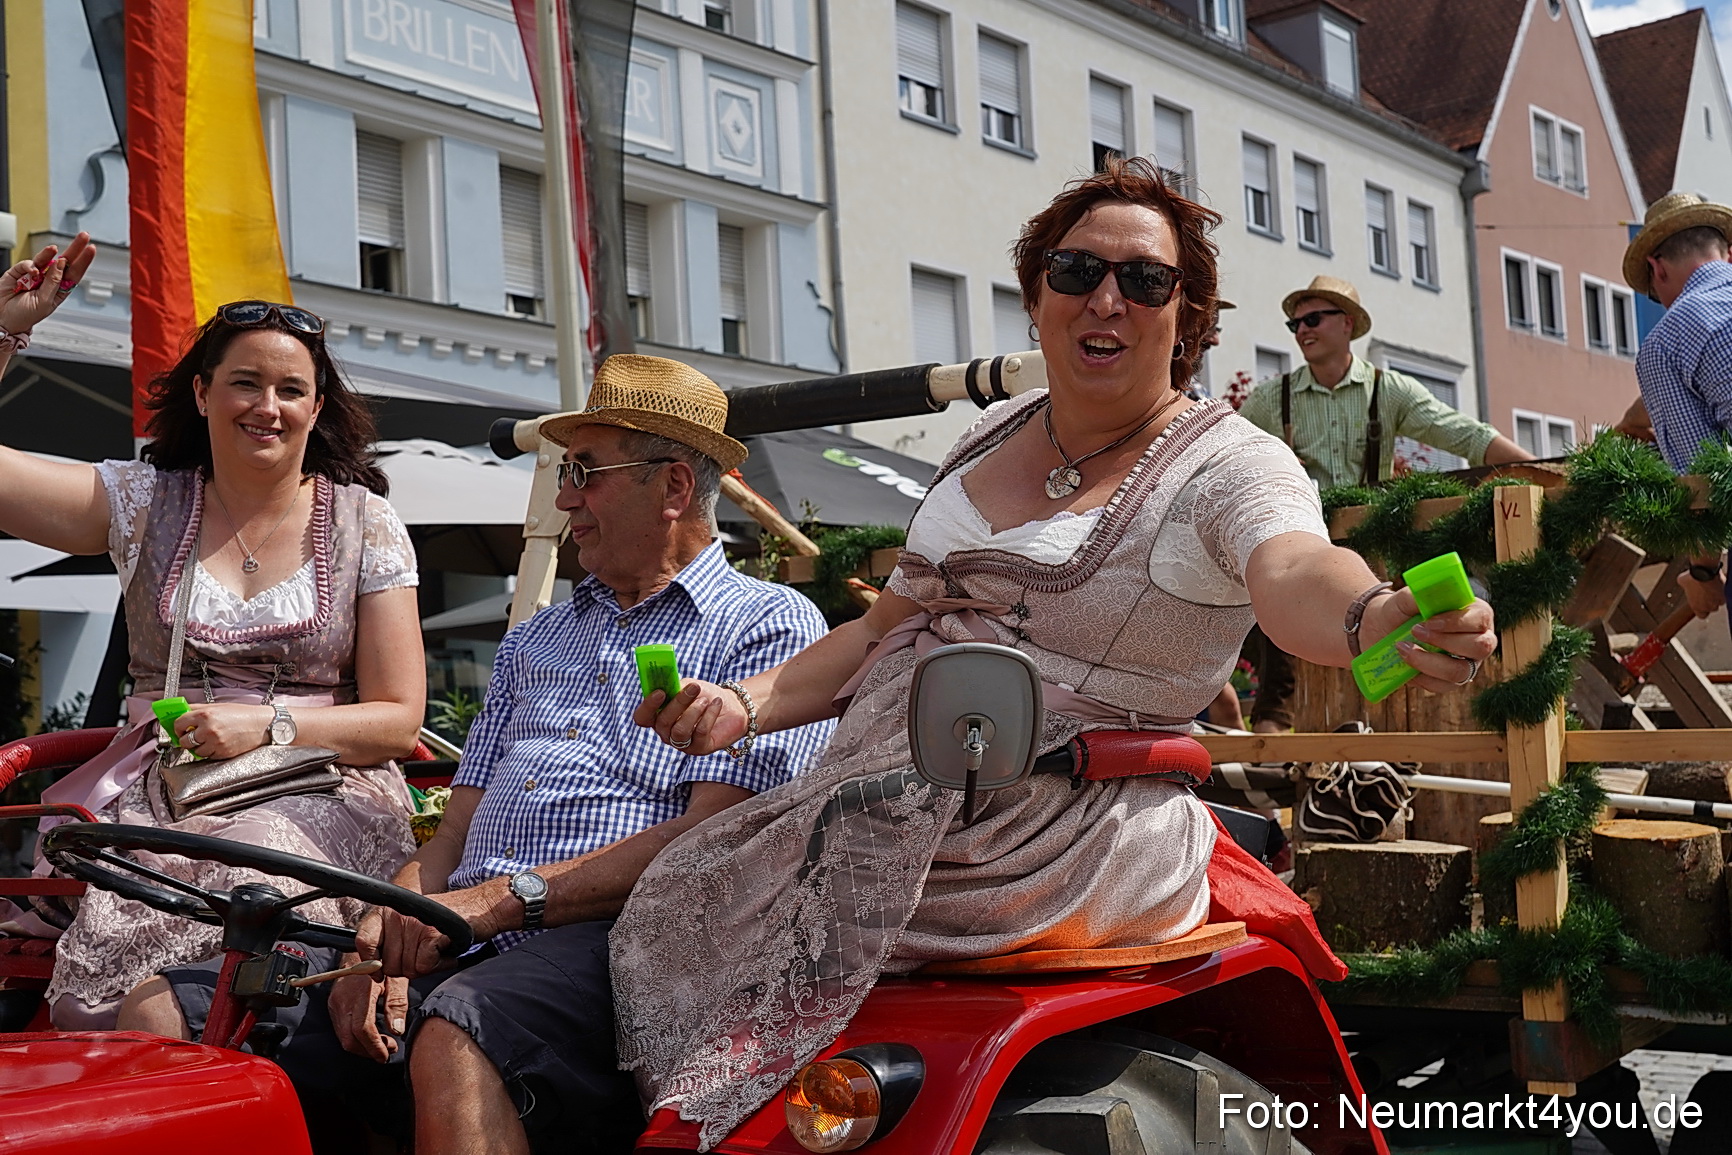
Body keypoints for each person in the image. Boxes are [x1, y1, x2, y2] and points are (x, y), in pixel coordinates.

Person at [620, 159, 1499, 1146]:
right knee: (673, 892)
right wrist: (739, 705)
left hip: (1056, 828)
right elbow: (879, 635)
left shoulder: (1227, 463)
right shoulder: (990, 434)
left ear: (1187, 313)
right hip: (879, 794)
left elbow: (1294, 566)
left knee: (703, 901)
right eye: (1077, 272)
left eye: (1145, 279)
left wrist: (1375, 614)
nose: (1107, 299)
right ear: (1037, 295)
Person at [117, 355, 835, 1154]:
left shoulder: (768, 624)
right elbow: (451, 834)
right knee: (168, 1009)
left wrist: (494, 903)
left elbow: (711, 843)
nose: (565, 498)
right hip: (468, 934)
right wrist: (383, 918)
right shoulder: (536, 638)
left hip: (632, 941)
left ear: (672, 487)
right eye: (567, 471)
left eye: (586, 472)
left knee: (459, 1029)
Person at [0, 237, 427, 1029]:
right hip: (167, 786)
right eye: (245, 382)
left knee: (239, 876)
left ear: (317, 406)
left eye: (291, 389)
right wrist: (5, 332)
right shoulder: (143, 500)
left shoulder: (367, 522)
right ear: (201, 394)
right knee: (123, 971)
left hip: (319, 782)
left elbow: (399, 717)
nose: (268, 405)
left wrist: (267, 723)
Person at [1234, 275, 1529, 730]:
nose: (1302, 331)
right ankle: (1275, 720)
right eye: (1294, 324)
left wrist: (1536, 470)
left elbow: (1465, 435)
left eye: (1312, 319)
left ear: (1347, 324)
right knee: (1277, 604)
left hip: (1373, 542)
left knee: (1399, 627)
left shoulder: (1386, 389)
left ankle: (1395, 729)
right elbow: (1230, 456)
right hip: (1303, 541)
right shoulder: (1273, 399)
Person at [1622, 192, 1732, 622]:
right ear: (1727, 254)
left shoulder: (1667, 339)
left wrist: (1703, 573)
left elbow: (1701, 478)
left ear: (1657, 267)